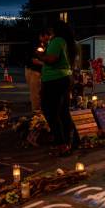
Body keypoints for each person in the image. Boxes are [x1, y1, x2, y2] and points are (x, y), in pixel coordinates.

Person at [38, 21, 76, 157]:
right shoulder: (67, 42)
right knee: (63, 112)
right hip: (64, 78)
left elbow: (52, 59)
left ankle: (61, 144)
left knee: (50, 112)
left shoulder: (57, 41)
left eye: (52, 29)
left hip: (54, 81)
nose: (50, 31)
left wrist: (40, 55)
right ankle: (70, 141)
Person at [25, 32, 47, 112]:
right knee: (36, 94)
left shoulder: (45, 44)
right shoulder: (35, 45)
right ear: (41, 36)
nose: (48, 38)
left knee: (39, 93)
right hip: (33, 71)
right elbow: (34, 60)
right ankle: (36, 113)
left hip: (39, 71)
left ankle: (39, 110)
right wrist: (46, 63)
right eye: (46, 36)